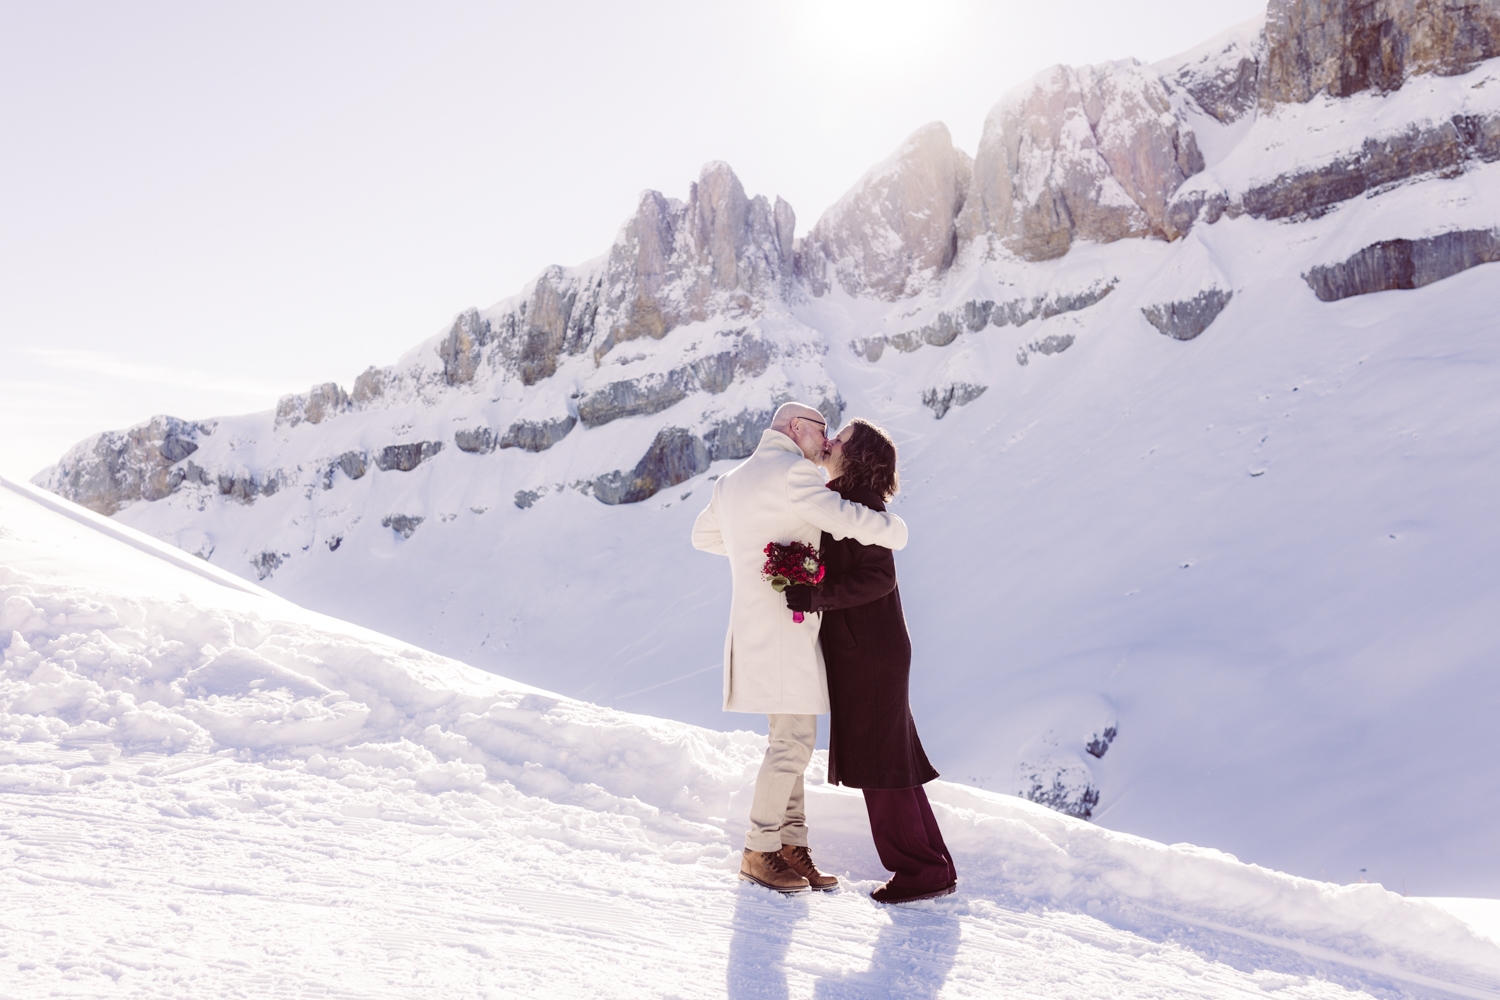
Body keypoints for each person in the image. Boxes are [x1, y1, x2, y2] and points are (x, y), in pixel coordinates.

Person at [691, 402, 909, 894]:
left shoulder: (730, 482)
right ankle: (759, 850)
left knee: (787, 738)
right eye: (822, 429)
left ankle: (790, 845)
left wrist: (759, 548)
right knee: (792, 744)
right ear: (796, 428)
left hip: (751, 629)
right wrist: (896, 530)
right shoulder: (794, 473)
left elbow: (704, 537)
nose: (826, 440)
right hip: (787, 629)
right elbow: (845, 518)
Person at [783, 419, 957, 904]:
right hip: (870, 648)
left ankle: (921, 871)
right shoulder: (847, 502)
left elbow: (878, 578)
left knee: (882, 765)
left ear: (856, 457)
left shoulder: (860, 507)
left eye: (839, 439)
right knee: (891, 761)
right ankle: (933, 866)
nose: (830, 442)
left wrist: (816, 595)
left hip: (872, 652)